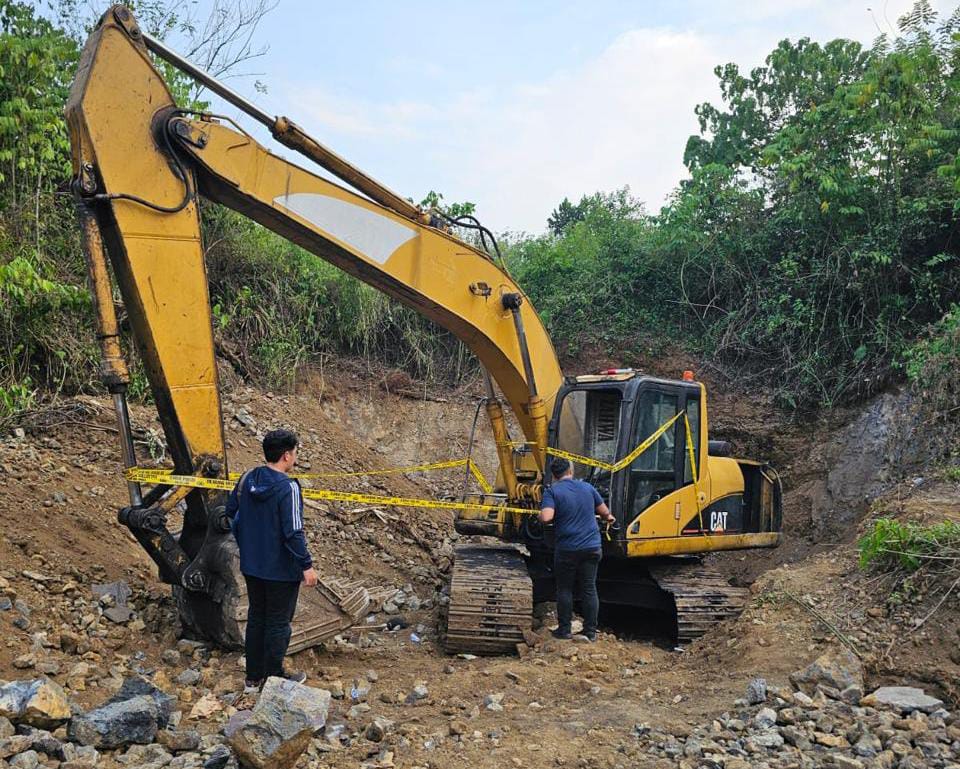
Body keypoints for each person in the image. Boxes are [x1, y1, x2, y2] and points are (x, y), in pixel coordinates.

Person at [227, 428, 319, 692]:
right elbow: (293, 531)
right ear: (287, 456)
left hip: (252, 566)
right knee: (279, 622)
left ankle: (253, 679)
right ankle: (274, 676)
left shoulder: (248, 478)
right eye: (296, 452)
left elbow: (230, 513)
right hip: (280, 570)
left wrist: (248, 542)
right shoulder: (288, 488)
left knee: (257, 618)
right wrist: (306, 565)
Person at [539, 456, 614, 642]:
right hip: (592, 547)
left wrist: (540, 516)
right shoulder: (588, 487)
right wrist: (608, 519)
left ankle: (564, 630)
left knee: (565, 589)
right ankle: (590, 631)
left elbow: (547, 517)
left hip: (568, 548)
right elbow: (606, 513)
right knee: (589, 587)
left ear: (554, 475)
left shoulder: (552, 491)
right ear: (570, 471)